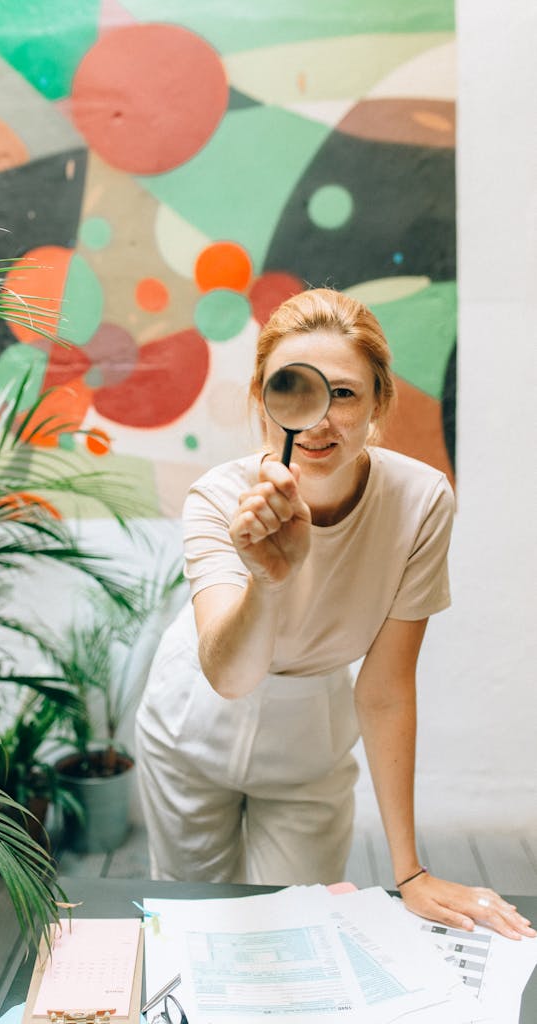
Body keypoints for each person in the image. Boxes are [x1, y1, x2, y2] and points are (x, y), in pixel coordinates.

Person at [134, 287, 534, 940]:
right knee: (192, 923)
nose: (316, 420)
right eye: (292, 388)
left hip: (310, 743)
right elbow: (229, 678)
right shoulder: (216, 498)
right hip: (191, 731)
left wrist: (408, 872)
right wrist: (266, 580)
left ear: (379, 401)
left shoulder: (419, 501)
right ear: (260, 398)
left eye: (342, 394)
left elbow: (383, 690)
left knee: (298, 928)